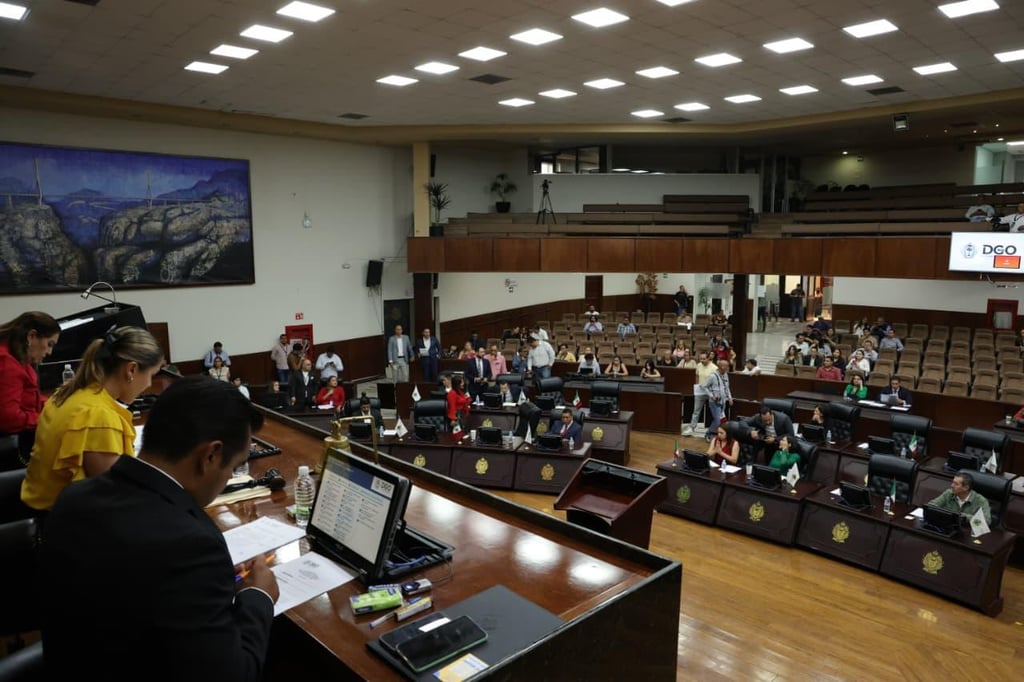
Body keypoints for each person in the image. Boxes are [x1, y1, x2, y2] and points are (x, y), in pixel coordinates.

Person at [41, 375, 277, 680]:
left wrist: (208, 585)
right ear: (210, 455)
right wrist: (258, 596)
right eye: (232, 467)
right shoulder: (190, 546)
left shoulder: (74, 497)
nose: (228, 478)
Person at [21, 326, 164, 512]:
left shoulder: (68, 394)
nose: (149, 384)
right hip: (61, 519)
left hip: (40, 505)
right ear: (131, 369)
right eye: (151, 375)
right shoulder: (99, 415)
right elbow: (116, 493)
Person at [0, 311, 60, 470]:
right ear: (31, 336)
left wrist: (57, 405)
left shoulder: (17, 358)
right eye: (49, 344)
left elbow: (27, 397)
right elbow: (8, 419)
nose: (49, 352)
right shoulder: (7, 364)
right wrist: (46, 419)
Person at [927, 471, 992, 524]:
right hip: (948, 527)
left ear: (966, 488)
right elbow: (930, 506)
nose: (952, 485)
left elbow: (986, 521)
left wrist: (963, 517)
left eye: (956, 484)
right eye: (953, 482)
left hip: (967, 531)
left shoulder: (981, 501)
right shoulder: (949, 493)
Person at [683, 352, 716, 436]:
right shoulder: (698, 365)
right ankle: (692, 427)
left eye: (704, 359)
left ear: (708, 358)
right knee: (696, 410)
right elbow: (697, 376)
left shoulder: (714, 368)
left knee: (713, 411)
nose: (702, 360)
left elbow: (715, 381)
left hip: (710, 392)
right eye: (700, 359)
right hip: (700, 391)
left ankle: (712, 429)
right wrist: (697, 385)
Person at [701, 359, 733, 441]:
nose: (728, 368)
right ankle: (709, 433)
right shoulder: (713, 376)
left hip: (723, 402)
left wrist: (730, 397)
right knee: (718, 421)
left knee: (721, 420)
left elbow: (727, 387)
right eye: (727, 366)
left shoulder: (726, 375)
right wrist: (711, 395)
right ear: (721, 366)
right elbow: (704, 386)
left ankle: (715, 434)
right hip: (714, 402)